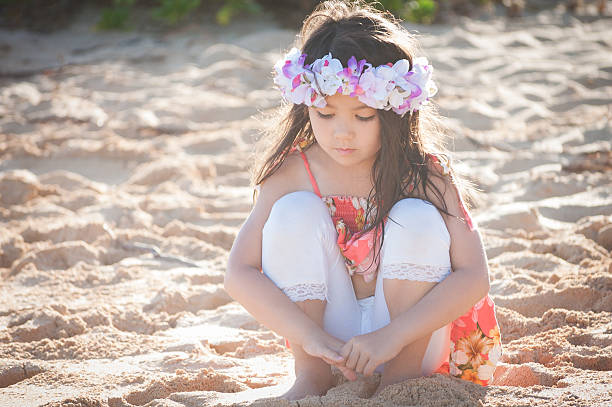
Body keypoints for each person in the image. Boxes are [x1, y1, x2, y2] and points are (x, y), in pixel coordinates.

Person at [224, 0, 502, 400]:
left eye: (362, 116)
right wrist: (311, 339)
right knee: (291, 212)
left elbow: (475, 276)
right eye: (325, 114)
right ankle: (312, 376)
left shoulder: (424, 174)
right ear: (306, 106)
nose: (342, 134)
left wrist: (392, 337)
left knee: (417, 217)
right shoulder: (292, 173)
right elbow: (239, 272)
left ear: (393, 111)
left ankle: (399, 383)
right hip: (328, 341)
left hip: (412, 337)